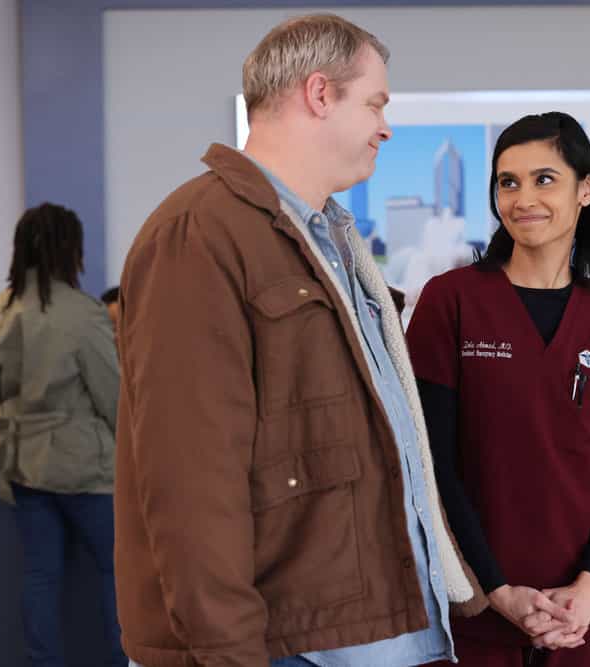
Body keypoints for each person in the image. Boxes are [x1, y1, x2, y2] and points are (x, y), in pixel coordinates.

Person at [114, 14, 487, 667]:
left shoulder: (337, 241)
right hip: (298, 644)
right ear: (319, 93)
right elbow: (191, 479)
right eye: (374, 103)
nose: (385, 126)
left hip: (382, 631)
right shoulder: (199, 233)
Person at [406, 112, 590, 666]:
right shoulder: (450, 302)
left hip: (580, 613)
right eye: (508, 181)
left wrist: (589, 588)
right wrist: (495, 589)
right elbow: (432, 465)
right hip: (473, 606)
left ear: (585, 189)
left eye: (545, 179)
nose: (524, 198)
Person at [0, 202, 124, 667]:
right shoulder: (82, 313)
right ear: (71, 249)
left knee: (40, 577)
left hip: (20, 462)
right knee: (116, 573)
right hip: (86, 468)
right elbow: (113, 395)